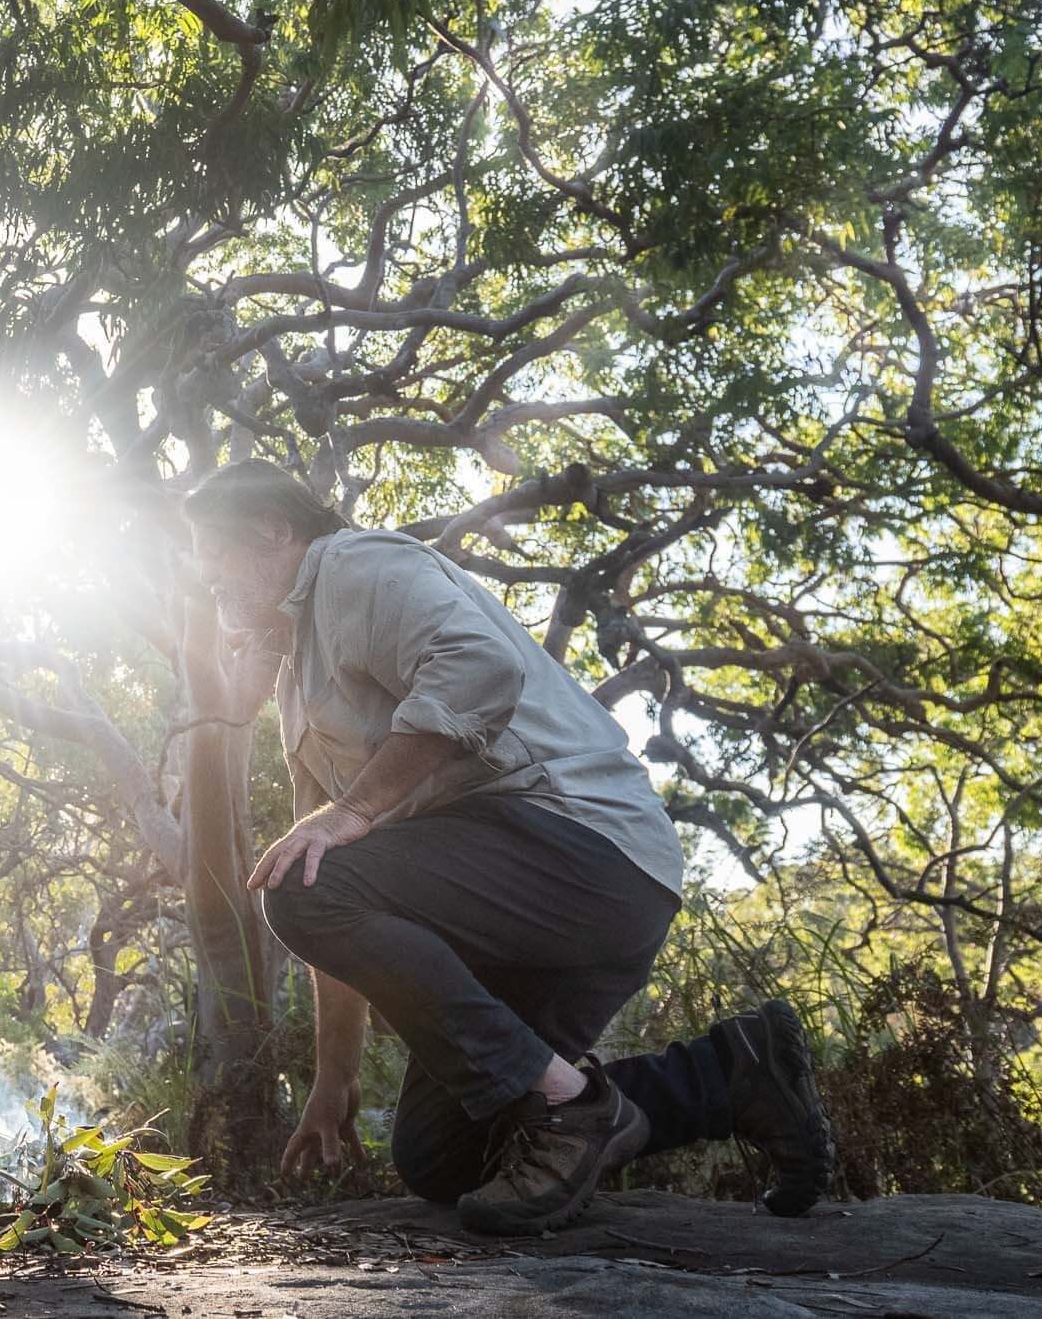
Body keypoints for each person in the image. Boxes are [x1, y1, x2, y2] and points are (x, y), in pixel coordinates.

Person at [186, 458, 839, 1236]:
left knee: (293, 883)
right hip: (538, 914)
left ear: (271, 527)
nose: (208, 578)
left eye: (212, 553)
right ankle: (731, 1073)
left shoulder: (354, 566)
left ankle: (572, 1105)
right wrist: (333, 1081)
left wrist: (352, 809)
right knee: (441, 1155)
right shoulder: (302, 683)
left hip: (586, 853)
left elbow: (476, 667)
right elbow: (326, 873)